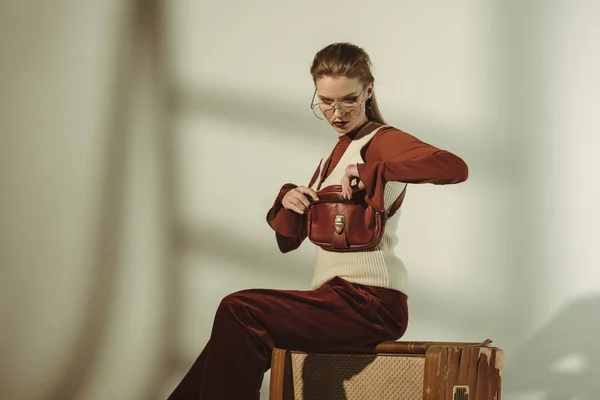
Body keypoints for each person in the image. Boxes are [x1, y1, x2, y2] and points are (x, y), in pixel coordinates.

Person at [167, 42, 468, 400]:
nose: (337, 113)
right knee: (232, 337)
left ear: (369, 91)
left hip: (370, 304)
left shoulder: (382, 141)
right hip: (334, 298)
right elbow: (289, 241)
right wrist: (293, 203)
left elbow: (454, 167)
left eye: (348, 100)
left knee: (239, 309)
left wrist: (377, 171)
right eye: (326, 101)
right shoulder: (331, 157)